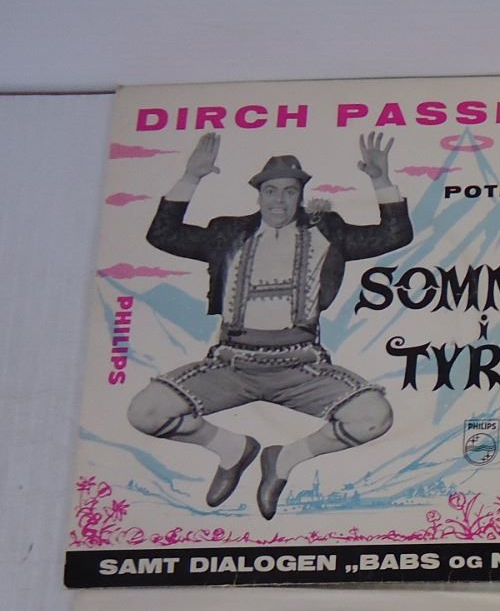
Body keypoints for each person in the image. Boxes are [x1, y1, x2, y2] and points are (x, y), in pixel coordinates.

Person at [126, 131, 412, 519]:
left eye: (290, 192)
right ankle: (232, 449)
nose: (280, 200)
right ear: (259, 195)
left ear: (300, 196)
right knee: (144, 413)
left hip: (300, 367)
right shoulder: (228, 233)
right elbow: (163, 235)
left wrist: (381, 180)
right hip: (231, 365)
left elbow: (394, 235)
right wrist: (191, 177)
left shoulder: (326, 232)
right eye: (271, 191)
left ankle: (283, 460)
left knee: (375, 417)